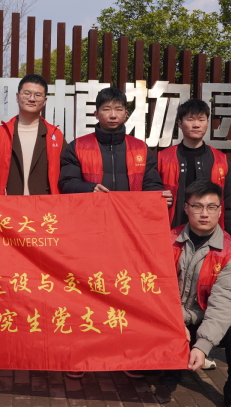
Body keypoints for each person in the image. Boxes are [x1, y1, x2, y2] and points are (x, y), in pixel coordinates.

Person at [59, 87, 172, 379]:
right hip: (88, 235)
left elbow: (151, 185)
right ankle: (79, 357)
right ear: (96, 113)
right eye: (106, 109)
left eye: (118, 109)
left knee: (129, 296)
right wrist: (89, 189)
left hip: (128, 237)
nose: (112, 114)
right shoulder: (77, 146)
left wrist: (160, 196)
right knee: (85, 295)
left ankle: (130, 356)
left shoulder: (140, 149)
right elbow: (66, 183)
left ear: (126, 114)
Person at [169, 179, 231, 407]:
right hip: (172, 317)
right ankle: (166, 368)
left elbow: (224, 304)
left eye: (211, 207)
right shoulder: (167, 241)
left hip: (207, 318)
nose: (204, 213)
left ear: (220, 210)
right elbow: (157, 290)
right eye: (197, 206)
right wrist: (175, 322)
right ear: (186, 208)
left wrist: (203, 345)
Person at [158, 98, 231, 236]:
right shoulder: (163, 158)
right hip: (171, 232)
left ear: (207, 123)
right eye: (190, 119)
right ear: (180, 123)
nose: (196, 125)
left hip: (211, 234)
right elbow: (151, 194)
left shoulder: (221, 160)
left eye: (201, 120)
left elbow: (229, 200)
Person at [0, 74, 66, 196]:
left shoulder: (55, 135)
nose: (32, 99)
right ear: (17, 97)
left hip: (45, 205)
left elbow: (67, 175)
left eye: (38, 95)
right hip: (7, 204)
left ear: (45, 101)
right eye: (27, 94)